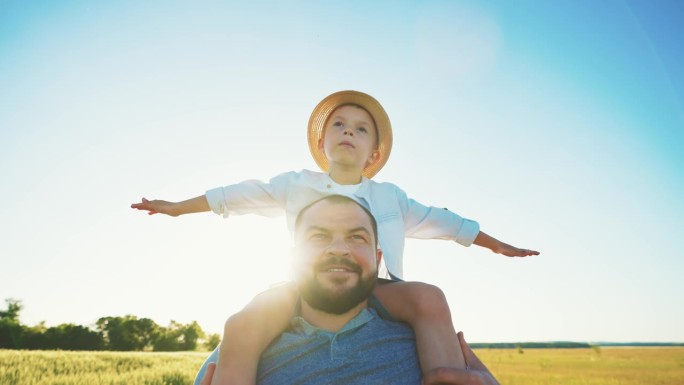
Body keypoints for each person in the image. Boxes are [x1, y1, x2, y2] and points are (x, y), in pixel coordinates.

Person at [132, 90, 538, 383]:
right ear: (322, 144)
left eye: (361, 129)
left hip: (379, 287)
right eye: (339, 125)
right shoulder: (296, 183)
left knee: (428, 297)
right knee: (245, 321)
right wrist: (177, 207)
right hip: (303, 285)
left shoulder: (390, 197)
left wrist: (495, 244)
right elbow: (239, 196)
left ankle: (444, 377)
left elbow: (444, 222)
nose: (348, 132)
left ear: (374, 153)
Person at [196, 195, 500, 385]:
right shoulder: (244, 346)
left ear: (377, 258)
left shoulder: (423, 341)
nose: (338, 249)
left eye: (357, 238)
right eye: (319, 237)